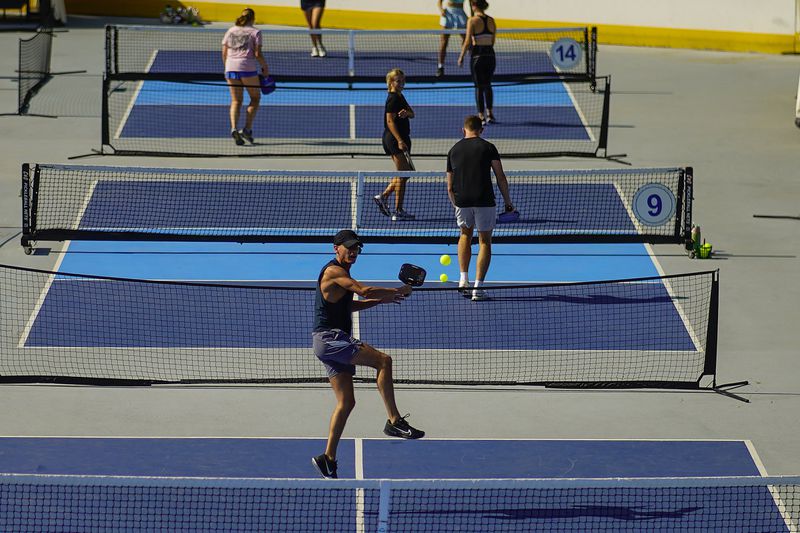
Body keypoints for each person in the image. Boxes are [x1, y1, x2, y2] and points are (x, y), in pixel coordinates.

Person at [311, 230, 425, 479]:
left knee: (346, 402)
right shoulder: (333, 272)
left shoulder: (342, 273)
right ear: (336, 248)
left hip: (326, 342)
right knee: (383, 361)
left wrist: (384, 300)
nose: (353, 252)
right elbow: (363, 290)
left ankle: (328, 458)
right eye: (349, 247)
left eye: (356, 248)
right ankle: (394, 421)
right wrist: (396, 290)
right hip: (331, 339)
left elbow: (350, 304)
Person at [446, 115, 513, 301]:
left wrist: (456, 204)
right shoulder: (488, 147)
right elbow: (500, 177)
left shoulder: (453, 150)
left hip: (462, 201)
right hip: (484, 200)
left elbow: (449, 186)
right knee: (485, 241)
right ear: (481, 130)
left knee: (465, 235)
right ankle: (478, 288)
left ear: (463, 130)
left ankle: (463, 280)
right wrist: (508, 202)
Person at [374, 68, 416, 222]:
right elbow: (390, 121)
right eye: (398, 81)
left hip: (402, 138)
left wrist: (406, 114)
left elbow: (412, 113)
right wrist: (399, 140)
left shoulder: (400, 96)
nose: (401, 83)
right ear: (391, 82)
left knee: (406, 174)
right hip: (394, 140)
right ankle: (398, 211)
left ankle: (383, 196)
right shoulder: (392, 98)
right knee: (403, 174)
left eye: (403, 81)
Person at [222, 8, 268, 146]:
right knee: (255, 98)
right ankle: (247, 129)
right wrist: (265, 68)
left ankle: (234, 128)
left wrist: (227, 67)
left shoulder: (231, 30)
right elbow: (258, 54)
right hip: (247, 68)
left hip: (230, 67)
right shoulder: (255, 32)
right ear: (253, 18)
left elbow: (224, 51)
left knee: (236, 100)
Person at [457, 0, 496, 124]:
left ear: (474, 6)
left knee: (479, 86)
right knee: (488, 84)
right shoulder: (491, 20)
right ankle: (490, 113)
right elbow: (492, 40)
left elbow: (467, 41)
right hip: (490, 55)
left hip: (477, 56)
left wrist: (461, 56)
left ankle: (481, 115)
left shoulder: (472, 21)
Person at [436, 0, 471, 77]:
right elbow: (439, 1)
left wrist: (472, 17)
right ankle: (440, 67)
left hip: (461, 14)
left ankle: (471, 63)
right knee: (444, 42)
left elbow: (472, 4)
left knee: (467, 40)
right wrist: (441, 10)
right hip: (448, 14)